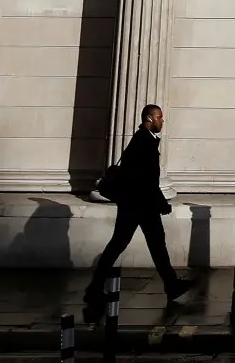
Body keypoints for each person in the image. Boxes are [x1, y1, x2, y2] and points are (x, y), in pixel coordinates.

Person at [83, 105, 194, 318]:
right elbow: (146, 181)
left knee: (151, 244)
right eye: (160, 117)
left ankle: (171, 286)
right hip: (138, 205)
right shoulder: (143, 142)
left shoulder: (144, 139)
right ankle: (94, 289)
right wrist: (161, 204)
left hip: (138, 204)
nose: (163, 121)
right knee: (122, 244)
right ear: (150, 119)